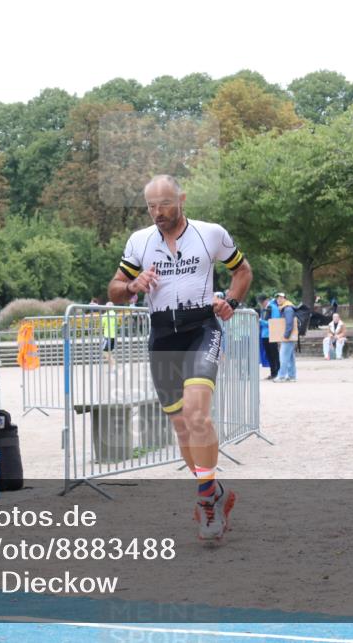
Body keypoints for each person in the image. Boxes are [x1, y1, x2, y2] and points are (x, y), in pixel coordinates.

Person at [108, 174, 252, 541]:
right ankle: (215, 491)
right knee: (181, 425)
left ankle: (205, 503)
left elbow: (242, 271)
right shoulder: (139, 241)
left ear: (181, 199)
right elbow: (114, 291)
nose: (158, 212)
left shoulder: (211, 234)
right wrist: (132, 285)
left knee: (197, 413)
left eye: (165, 204)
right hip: (162, 334)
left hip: (202, 327)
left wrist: (231, 302)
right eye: (151, 207)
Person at [258, 294, 280, 381]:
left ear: (266, 300)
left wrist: (261, 322)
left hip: (271, 334)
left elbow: (274, 322)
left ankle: (277, 373)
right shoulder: (264, 309)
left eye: (262, 302)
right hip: (264, 334)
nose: (261, 304)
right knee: (269, 355)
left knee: (274, 354)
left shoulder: (273, 307)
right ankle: (273, 373)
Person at [276, 292, 297, 381]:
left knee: (283, 356)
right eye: (277, 298)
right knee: (290, 357)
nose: (279, 300)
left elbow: (289, 323)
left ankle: (281, 376)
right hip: (289, 336)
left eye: (281, 298)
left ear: (285, 299)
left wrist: (286, 335)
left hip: (288, 337)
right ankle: (292, 376)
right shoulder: (285, 308)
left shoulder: (288, 309)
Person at [101, 302, 118, 367]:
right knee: (109, 352)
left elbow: (102, 324)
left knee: (104, 352)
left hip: (107, 336)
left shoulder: (106, 314)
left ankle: (115, 365)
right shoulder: (115, 314)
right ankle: (113, 367)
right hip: (114, 336)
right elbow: (117, 324)